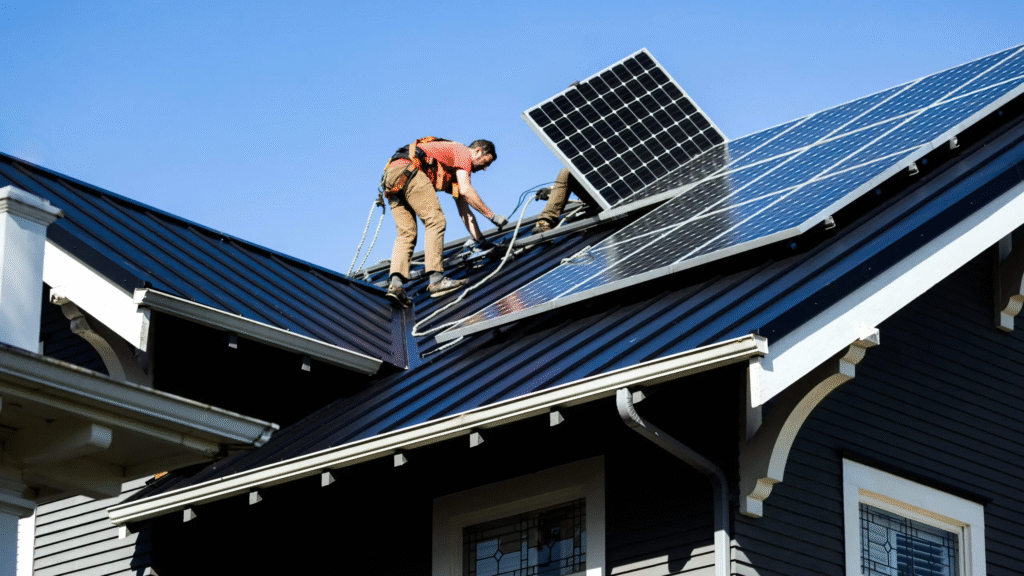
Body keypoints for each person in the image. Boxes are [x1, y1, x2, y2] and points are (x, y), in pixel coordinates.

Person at [382, 137, 507, 308]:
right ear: (477, 151)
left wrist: (482, 242)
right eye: (485, 162)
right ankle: (436, 280)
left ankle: (396, 286)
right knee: (436, 221)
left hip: (392, 177)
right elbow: (467, 190)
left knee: (406, 234)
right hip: (410, 171)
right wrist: (492, 216)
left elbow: (465, 211)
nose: (484, 168)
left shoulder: (453, 175)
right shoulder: (462, 152)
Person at [532, 167, 596, 234]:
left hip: (604, 201)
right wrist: (552, 191)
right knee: (568, 171)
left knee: (567, 171)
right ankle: (544, 223)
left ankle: (546, 221)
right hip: (596, 195)